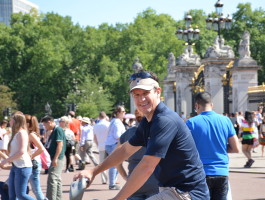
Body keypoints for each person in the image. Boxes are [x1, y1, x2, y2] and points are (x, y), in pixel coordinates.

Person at [74, 70, 210, 200]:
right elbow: (126, 150)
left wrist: (118, 198)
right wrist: (93, 171)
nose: (141, 99)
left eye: (145, 93)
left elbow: (146, 167)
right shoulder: (149, 120)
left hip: (187, 194)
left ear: (158, 92)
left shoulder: (164, 120)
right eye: (136, 95)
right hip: (173, 191)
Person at [186, 92, 239, 200]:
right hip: (222, 172)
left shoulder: (191, 123)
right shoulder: (225, 120)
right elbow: (236, 148)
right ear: (212, 105)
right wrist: (219, 148)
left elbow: (185, 149)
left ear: (197, 105)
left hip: (200, 173)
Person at [117, 109, 159, 199]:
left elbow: (117, 160)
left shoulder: (128, 133)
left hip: (133, 181)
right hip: (155, 181)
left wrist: (125, 177)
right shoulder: (159, 132)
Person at [0, 112, 35, 200]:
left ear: (16, 121)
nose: (9, 121)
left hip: (23, 167)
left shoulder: (21, 133)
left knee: (21, 194)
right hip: (16, 166)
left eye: (11, 120)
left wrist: (6, 160)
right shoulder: (16, 133)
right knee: (12, 195)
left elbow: (21, 151)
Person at [42, 116, 66, 200]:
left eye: (45, 125)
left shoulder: (58, 130)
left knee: (52, 179)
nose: (45, 127)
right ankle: (58, 198)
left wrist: (55, 158)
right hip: (55, 157)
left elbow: (60, 144)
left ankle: (51, 198)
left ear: (49, 122)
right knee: (57, 179)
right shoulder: (54, 131)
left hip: (57, 157)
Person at [25, 114, 48, 200]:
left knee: (36, 190)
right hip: (32, 163)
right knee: (25, 189)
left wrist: (31, 157)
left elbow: (41, 149)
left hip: (33, 163)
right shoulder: (31, 133)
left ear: (27, 124)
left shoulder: (31, 134)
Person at [105, 106, 126, 190]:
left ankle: (113, 182)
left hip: (111, 144)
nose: (124, 113)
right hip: (114, 144)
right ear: (118, 113)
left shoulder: (114, 121)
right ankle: (112, 184)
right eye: (123, 111)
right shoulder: (117, 122)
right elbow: (117, 135)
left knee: (116, 164)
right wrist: (125, 138)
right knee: (114, 164)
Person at [93, 111, 110, 184]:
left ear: (99, 117)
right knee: (113, 162)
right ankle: (112, 179)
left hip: (101, 146)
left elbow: (95, 138)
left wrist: (98, 144)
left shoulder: (96, 126)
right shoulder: (109, 124)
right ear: (105, 116)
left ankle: (104, 179)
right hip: (109, 145)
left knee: (102, 164)